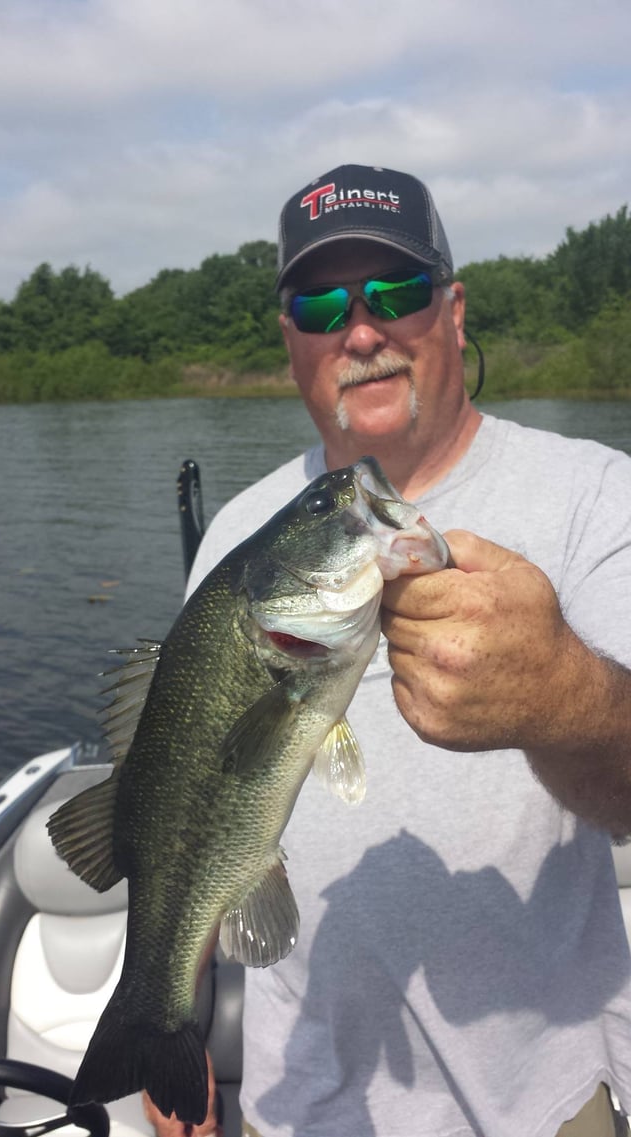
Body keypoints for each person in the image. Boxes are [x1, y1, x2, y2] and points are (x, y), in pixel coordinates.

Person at [173, 164, 631, 1136]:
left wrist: (562, 698)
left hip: (535, 1103)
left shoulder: (595, 497)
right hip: (292, 1103)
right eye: (320, 302)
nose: (363, 329)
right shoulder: (235, 542)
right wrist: (171, 1030)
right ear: (290, 337)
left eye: (396, 291)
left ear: (453, 311)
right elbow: (197, 808)